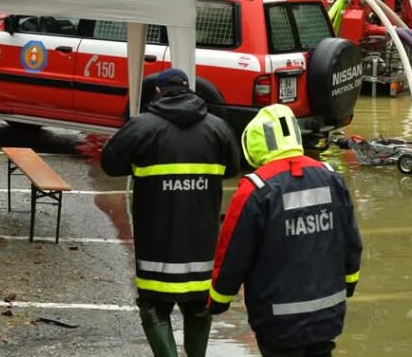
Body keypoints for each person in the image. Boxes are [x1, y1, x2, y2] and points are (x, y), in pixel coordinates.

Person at [101, 68, 240, 357]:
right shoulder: (218, 128)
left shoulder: (141, 127)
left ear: (158, 92)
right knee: (199, 306)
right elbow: (233, 168)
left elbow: (110, 163)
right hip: (201, 244)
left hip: (157, 245)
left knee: (154, 306)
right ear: (190, 91)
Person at [209, 104, 363, 357]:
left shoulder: (255, 189)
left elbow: (232, 254)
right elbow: (351, 242)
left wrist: (218, 300)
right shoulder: (330, 177)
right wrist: (349, 284)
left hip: (277, 321)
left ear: (254, 144)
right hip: (328, 315)